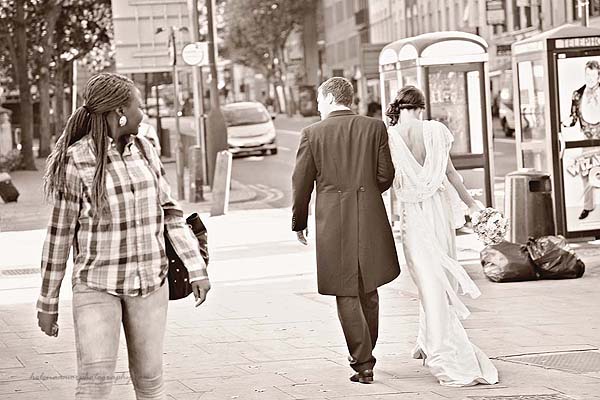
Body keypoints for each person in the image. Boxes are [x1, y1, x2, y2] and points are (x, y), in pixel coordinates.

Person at [37, 72, 211, 399]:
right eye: (139, 105)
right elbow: (59, 236)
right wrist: (48, 301)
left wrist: (195, 267)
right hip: (97, 285)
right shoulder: (77, 160)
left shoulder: (145, 149)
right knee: (95, 384)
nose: (143, 112)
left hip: (150, 283)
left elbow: (170, 212)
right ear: (120, 111)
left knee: (149, 381)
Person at [385, 85, 498, 387]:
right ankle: (428, 340)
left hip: (413, 216)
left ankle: (438, 347)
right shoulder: (435, 131)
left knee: (426, 279)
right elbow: (452, 175)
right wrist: (473, 206)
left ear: (400, 107)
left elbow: (385, 182)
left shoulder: (390, 136)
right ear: (421, 107)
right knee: (438, 279)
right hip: (437, 214)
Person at [292, 77, 400, 384]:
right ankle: (367, 352)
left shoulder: (312, 134)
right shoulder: (374, 127)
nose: (317, 105)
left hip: (333, 221)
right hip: (369, 215)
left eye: (317, 100)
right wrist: (364, 193)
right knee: (369, 286)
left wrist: (299, 223)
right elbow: (385, 174)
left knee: (345, 290)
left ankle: (363, 362)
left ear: (327, 99)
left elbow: (301, 185)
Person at [562, 60, 600, 219]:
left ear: (599, 76)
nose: (590, 78)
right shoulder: (577, 94)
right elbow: (573, 117)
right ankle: (588, 206)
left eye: (593, 75)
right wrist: (563, 123)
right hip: (586, 140)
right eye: (588, 75)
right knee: (586, 174)